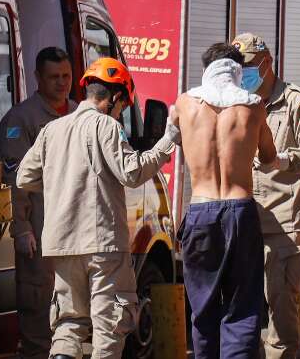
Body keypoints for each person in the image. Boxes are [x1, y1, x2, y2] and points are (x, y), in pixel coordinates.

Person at [16, 57, 180, 359]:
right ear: (115, 97)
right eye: (122, 106)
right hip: (102, 244)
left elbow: (24, 176)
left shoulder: (53, 129)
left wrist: (61, 184)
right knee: (108, 327)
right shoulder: (106, 125)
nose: (120, 112)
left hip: (61, 244)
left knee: (68, 324)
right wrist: (166, 143)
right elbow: (132, 172)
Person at [175, 43, 279, 359]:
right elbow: (270, 156)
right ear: (239, 71)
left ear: (206, 68)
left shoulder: (184, 104)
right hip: (241, 210)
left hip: (200, 210)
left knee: (202, 304)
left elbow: (170, 139)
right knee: (242, 303)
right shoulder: (255, 106)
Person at [232, 33, 300, 359]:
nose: (241, 73)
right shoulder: (236, 102)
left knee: (281, 306)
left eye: (247, 65)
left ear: (267, 62)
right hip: (244, 218)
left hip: (284, 222)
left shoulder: (297, 101)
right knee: (241, 309)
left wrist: (282, 160)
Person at [0, 46, 76, 359]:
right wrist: (22, 228)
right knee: (38, 316)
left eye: (67, 76)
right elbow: (15, 180)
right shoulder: (21, 119)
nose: (62, 83)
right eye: (54, 77)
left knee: (72, 316)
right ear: (37, 78)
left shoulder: (78, 115)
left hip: (75, 234)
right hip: (40, 234)